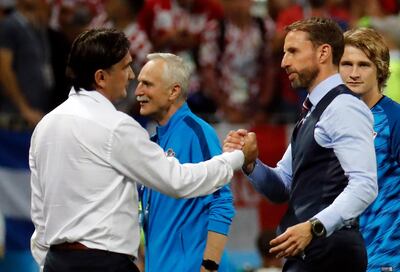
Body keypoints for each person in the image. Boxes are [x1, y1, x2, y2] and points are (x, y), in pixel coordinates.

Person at [29, 28, 246, 272]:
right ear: (101, 77)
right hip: (105, 264)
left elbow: (39, 210)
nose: (131, 77)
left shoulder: (44, 127)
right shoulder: (117, 127)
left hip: (56, 262)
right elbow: (177, 181)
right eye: (125, 67)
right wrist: (235, 158)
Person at [223, 17, 378, 271]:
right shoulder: (314, 111)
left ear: (323, 53)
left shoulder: (344, 107)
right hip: (311, 251)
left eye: (293, 51)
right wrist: (251, 163)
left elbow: (365, 185)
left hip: (329, 251)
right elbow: (282, 186)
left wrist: (315, 226)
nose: (284, 62)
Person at [135, 53, 234, 271]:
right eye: (139, 83)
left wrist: (209, 266)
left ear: (174, 91)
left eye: (147, 84)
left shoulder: (197, 132)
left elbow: (221, 201)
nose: (138, 91)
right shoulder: (153, 144)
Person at [339, 27, 400, 272]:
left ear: (380, 70)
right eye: (346, 64)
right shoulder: (329, 120)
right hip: (341, 257)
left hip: (386, 255)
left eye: (363, 65)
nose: (354, 73)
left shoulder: (393, 119)